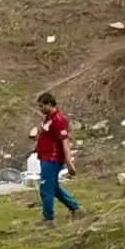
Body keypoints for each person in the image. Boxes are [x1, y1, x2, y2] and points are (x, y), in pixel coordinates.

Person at [35, 92, 82, 223]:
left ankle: (48, 218)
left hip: (52, 158)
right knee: (53, 187)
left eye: (42, 106)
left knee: (46, 187)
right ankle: (75, 208)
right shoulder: (48, 118)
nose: (40, 109)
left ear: (49, 104)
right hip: (44, 156)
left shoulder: (59, 120)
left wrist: (69, 161)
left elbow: (64, 141)